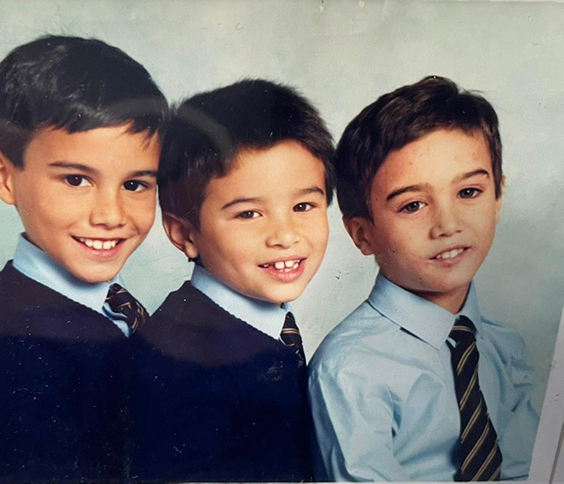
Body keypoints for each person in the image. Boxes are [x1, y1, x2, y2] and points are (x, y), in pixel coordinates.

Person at [0, 35, 167, 483]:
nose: (111, 216)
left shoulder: (107, 304)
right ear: (2, 176)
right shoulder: (14, 353)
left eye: (135, 185)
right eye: (75, 179)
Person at [309, 76, 539, 481]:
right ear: (363, 234)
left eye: (469, 192)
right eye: (413, 205)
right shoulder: (351, 370)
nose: (448, 225)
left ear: (498, 198)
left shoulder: (503, 346)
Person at [125, 79, 335, 482]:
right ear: (185, 234)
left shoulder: (258, 326)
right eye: (249, 214)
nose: (285, 235)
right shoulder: (179, 365)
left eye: (304, 205)